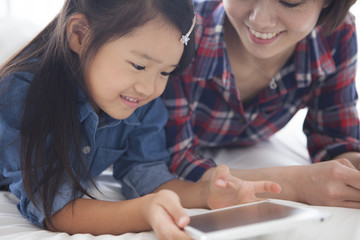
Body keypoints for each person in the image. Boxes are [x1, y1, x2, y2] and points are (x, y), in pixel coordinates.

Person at [0, 0, 282, 239]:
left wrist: (205, 194)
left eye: (165, 72)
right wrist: (144, 211)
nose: (150, 88)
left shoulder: (139, 100)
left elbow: (147, 173)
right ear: (80, 34)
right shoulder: (23, 93)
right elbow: (54, 209)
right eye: (138, 65)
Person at [162, 0, 360, 209]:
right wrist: (297, 184)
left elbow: (335, 139)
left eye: (290, 2)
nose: (260, 21)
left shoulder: (336, 35)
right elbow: (168, 164)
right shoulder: (182, 33)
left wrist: (353, 166)